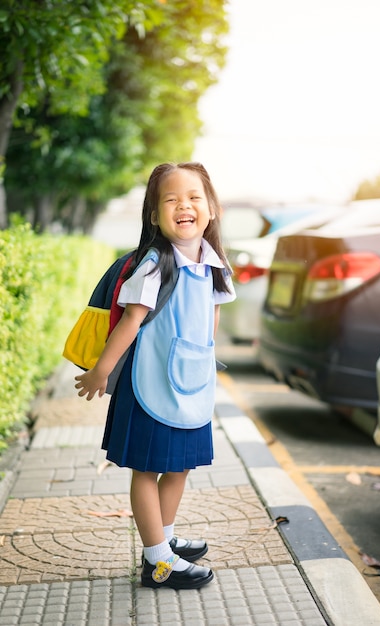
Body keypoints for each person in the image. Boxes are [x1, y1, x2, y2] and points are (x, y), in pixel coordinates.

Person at [74, 162, 236, 590]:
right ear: (153, 215)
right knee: (146, 470)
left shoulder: (213, 263)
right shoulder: (154, 264)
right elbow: (130, 322)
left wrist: (203, 362)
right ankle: (157, 562)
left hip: (190, 382)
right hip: (149, 383)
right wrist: (100, 372)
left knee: (181, 466)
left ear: (212, 209)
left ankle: (160, 541)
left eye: (194, 197)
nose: (184, 205)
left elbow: (212, 316)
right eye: (171, 199)